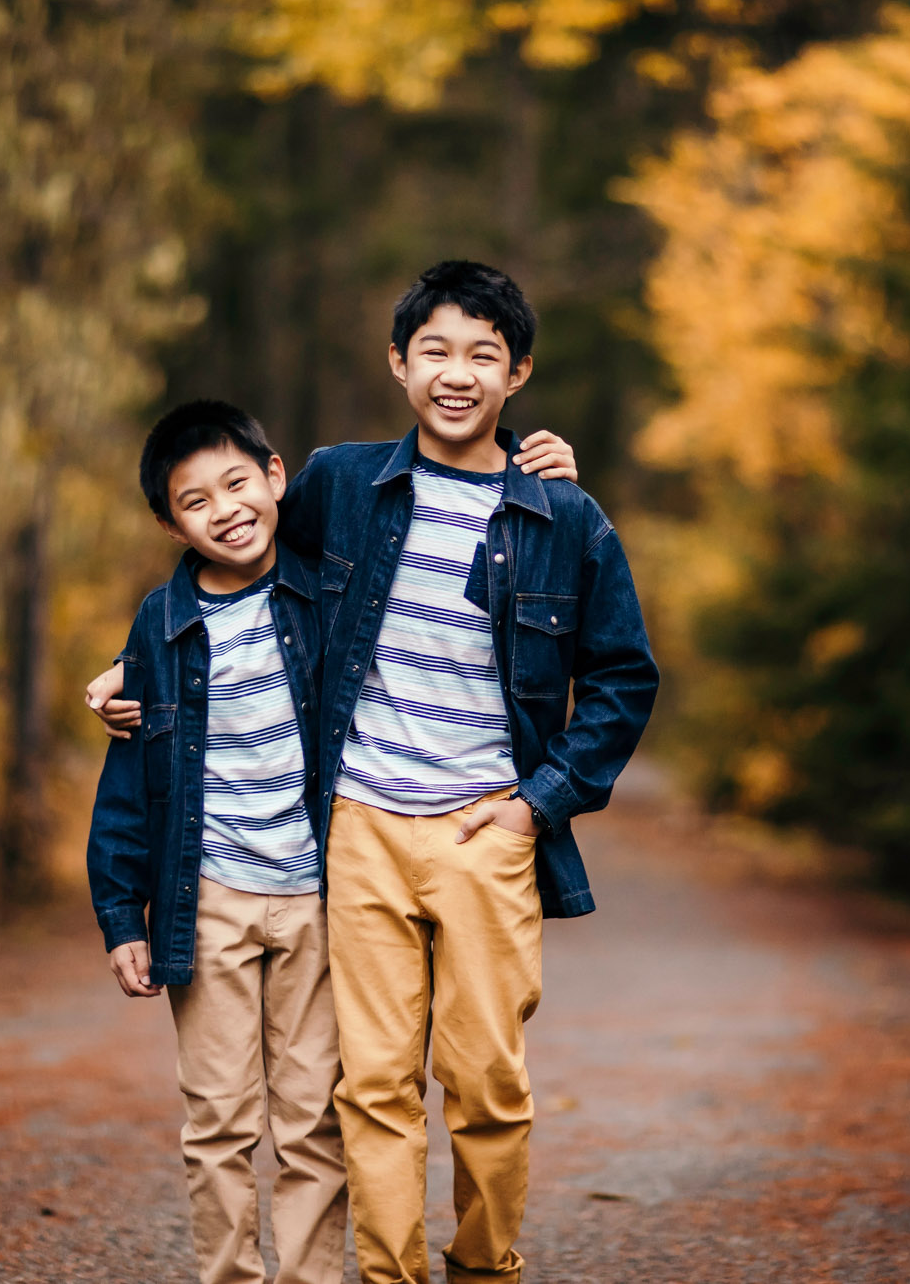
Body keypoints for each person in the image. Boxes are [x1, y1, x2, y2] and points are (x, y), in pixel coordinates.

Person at [90, 261, 653, 1284]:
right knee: (374, 1084)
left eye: (482, 354)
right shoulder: (340, 484)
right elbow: (230, 547)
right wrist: (132, 667)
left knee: (484, 1078)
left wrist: (538, 805)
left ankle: (485, 1264)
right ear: (397, 363)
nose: (455, 372)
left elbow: (622, 677)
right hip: (356, 828)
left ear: (517, 372)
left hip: (488, 832)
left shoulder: (564, 519)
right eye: (432, 349)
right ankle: (385, 1277)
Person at [86, 400, 342, 1284]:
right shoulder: (158, 625)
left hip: (319, 893)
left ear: (276, 478)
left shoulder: (327, 589)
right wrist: (123, 913)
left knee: (315, 1115)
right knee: (219, 1118)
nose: (225, 509)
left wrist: (533, 466)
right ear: (169, 523)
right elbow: (128, 783)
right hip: (211, 898)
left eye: (238, 483)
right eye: (195, 501)